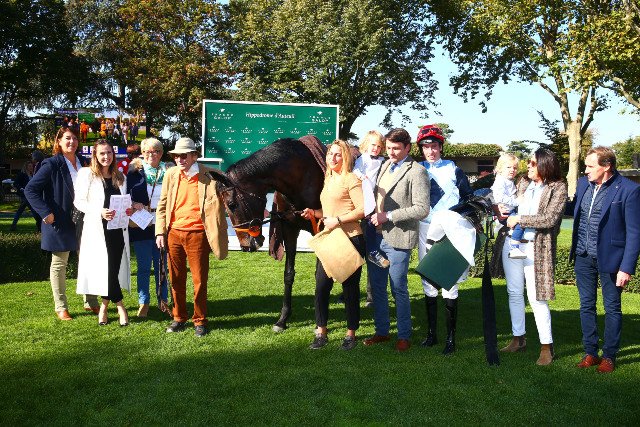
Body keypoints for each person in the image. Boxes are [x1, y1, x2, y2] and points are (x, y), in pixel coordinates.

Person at [571, 146, 640, 373]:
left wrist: (626, 268)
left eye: (590, 166)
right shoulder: (583, 184)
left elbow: (634, 233)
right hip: (583, 255)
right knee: (586, 305)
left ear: (607, 166)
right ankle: (590, 352)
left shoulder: (629, 190)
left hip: (611, 259)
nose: (586, 170)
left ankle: (609, 356)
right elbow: (574, 212)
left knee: (612, 307)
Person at [363, 128, 430, 352]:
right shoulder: (384, 165)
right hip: (376, 238)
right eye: (389, 147)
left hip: (399, 238)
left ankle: (404, 336)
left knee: (398, 288)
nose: (390, 152)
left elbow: (422, 209)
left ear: (408, 148)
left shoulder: (417, 171)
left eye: (396, 148)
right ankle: (382, 332)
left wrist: (388, 216)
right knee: (378, 288)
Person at [155, 137, 228, 337]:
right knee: (176, 279)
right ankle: (178, 317)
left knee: (199, 280)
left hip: (198, 234)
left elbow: (229, 197)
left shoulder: (211, 175)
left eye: (184, 155)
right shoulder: (171, 174)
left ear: (194, 156)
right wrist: (160, 231)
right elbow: (162, 204)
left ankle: (200, 320)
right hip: (173, 233)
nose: (179, 159)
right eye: (176, 156)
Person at [500, 148, 567, 365]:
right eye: (528, 162)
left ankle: (546, 346)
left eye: (532, 163)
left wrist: (520, 219)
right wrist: (502, 209)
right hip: (512, 244)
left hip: (536, 248)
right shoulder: (523, 183)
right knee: (514, 293)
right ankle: (518, 339)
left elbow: (549, 219)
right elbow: (510, 203)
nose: (527, 166)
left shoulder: (557, 187)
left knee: (537, 298)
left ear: (545, 165)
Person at [24, 127, 98, 320]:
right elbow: (30, 190)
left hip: (85, 219)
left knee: (87, 261)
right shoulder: (52, 164)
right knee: (59, 264)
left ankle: (90, 301)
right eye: (67, 138)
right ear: (58, 141)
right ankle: (61, 307)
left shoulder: (84, 162)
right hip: (60, 220)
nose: (72, 141)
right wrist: (45, 212)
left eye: (75, 138)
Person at [301, 139, 365, 350]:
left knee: (350, 290)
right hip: (330, 240)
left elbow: (362, 210)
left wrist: (337, 220)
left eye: (338, 154)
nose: (333, 158)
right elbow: (330, 212)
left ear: (345, 157)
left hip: (350, 239)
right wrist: (315, 213)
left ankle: (350, 334)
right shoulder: (328, 179)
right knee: (321, 286)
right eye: (330, 154)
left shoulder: (351, 179)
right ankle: (321, 331)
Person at [415, 124, 472, 355]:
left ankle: (451, 338)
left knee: (449, 281)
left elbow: (467, 198)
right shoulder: (417, 169)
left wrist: (454, 216)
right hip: (425, 228)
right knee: (428, 278)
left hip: (450, 230)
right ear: (421, 149)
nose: (430, 151)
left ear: (441, 147)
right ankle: (431, 334)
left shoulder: (454, 169)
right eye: (426, 147)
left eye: (434, 146)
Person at [74, 140, 132, 326]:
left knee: (112, 270)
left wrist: (129, 208)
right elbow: (79, 202)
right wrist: (99, 211)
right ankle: (120, 306)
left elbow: (124, 201)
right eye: (102, 153)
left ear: (113, 155)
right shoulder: (87, 174)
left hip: (117, 230)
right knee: (106, 270)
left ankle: (104, 307)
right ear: (95, 155)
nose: (106, 156)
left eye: (109, 153)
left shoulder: (120, 177)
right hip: (97, 230)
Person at [127, 138, 170, 317]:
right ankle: (143, 302)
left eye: (156, 151)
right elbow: (125, 195)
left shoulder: (169, 171)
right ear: (142, 153)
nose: (152, 154)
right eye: (148, 151)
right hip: (141, 223)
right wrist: (134, 203)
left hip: (163, 223)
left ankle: (163, 300)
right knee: (144, 266)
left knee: (162, 266)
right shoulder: (134, 172)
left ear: (161, 153)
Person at [353, 130, 388, 269]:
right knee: (369, 221)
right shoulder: (363, 158)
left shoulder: (381, 161)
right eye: (373, 145)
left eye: (379, 146)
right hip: (363, 192)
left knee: (372, 222)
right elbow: (356, 170)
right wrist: (362, 177)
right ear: (366, 144)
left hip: (375, 194)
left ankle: (373, 250)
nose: (376, 148)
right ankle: (372, 251)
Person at [491, 153, 526, 259]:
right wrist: (516, 201)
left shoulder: (508, 181)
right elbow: (499, 198)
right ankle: (514, 247)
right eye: (508, 167)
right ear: (500, 168)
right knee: (520, 223)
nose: (512, 170)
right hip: (506, 212)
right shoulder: (501, 181)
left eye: (515, 168)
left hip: (509, 210)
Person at [10, 161, 41, 232]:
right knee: (33, 210)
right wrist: (21, 189)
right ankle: (39, 226)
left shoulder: (33, 175)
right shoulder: (22, 174)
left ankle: (13, 226)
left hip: (31, 195)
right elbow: (15, 183)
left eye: (32, 166)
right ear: (26, 167)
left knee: (20, 211)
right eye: (29, 166)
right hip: (25, 195)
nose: (31, 167)